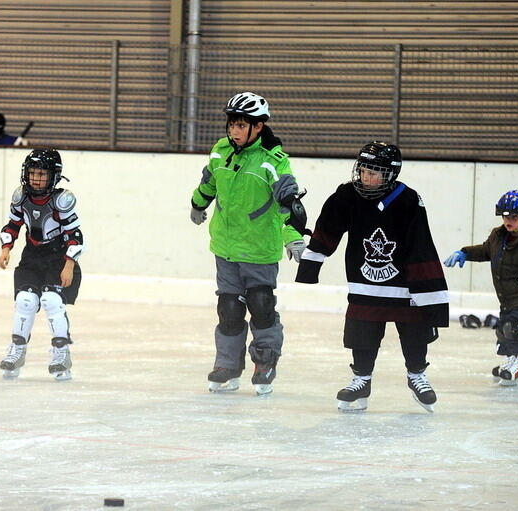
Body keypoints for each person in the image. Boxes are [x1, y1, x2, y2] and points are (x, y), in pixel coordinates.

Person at [295, 141, 449, 413]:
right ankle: (361, 379)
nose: (367, 177)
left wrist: (428, 291)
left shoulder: (408, 199)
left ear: (390, 174)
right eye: (364, 170)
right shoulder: (347, 195)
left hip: (404, 285)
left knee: (414, 331)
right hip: (364, 282)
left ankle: (416, 375)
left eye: (374, 172)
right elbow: (328, 228)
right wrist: (312, 263)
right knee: (362, 331)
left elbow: (421, 243)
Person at [189, 92, 308, 396]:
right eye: (231, 125)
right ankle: (228, 365)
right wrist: (198, 204)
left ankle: (265, 361)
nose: (234, 131)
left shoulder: (273, 161)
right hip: (226, 246)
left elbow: (288, 205)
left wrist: (293, 237)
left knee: (261, 304)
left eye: (242, 126)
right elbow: (210, 182)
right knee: (228, 308)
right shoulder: (220, 150)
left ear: (258, 127)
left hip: (258, 249)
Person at [443, 190, 518, 386]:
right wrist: (464, 253)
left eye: (513, 217)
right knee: (503, 331)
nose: (507, 221)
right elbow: (486, 250)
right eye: (505, 216)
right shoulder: (498, 235)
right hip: (507, 299)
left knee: (512, 326)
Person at [0, 149, 83, 381]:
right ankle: (17, 350)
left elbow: (75, 235)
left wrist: (69, 265)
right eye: (33, 173)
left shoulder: (61, 201)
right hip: (32, 258)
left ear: (54, 176)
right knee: (25, 300)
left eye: (42, 174)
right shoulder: (21, 197)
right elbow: (13, 224)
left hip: (58, 259)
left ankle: (61, 352)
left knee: (52, 301)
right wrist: (6, 248)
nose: (36, 178)